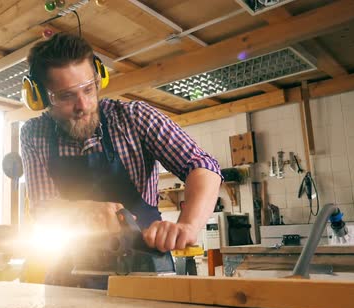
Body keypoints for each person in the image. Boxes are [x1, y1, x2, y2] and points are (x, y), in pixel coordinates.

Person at [20, 32, 222, 288]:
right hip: (69, 278)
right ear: (38, 96)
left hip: (144, 273)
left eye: (88, 89)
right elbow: (44, 208)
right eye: (65, 96)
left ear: (98, 79)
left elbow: (202, 165)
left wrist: (189, 225)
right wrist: (79, 211)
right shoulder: (34, 134)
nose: (83, 105)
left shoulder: (135, 118)